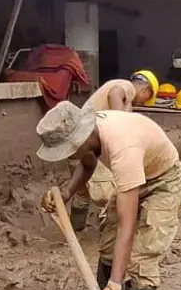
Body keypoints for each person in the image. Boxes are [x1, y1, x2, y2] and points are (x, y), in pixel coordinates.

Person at [36, 102, 181, 290]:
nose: (67, 157)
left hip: (163, 181)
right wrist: (66, 193)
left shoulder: (123, 149)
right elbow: (88, 165)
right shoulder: (91, 136)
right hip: (135, 174)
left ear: (80, 139)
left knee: (142, 256)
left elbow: (127, 225)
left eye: (68, 150)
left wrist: (115, 284)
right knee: (108, 245)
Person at [66, 70, 160, 231]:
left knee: (82, 192)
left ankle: (75, 231)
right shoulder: (127, 87)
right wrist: (121, 122)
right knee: (109, 195)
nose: (143, 104)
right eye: (146, 99)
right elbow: (115, 95)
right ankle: (111, 237)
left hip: (76, 146)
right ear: (146, 89)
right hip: (93, 145)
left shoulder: (119, 94)